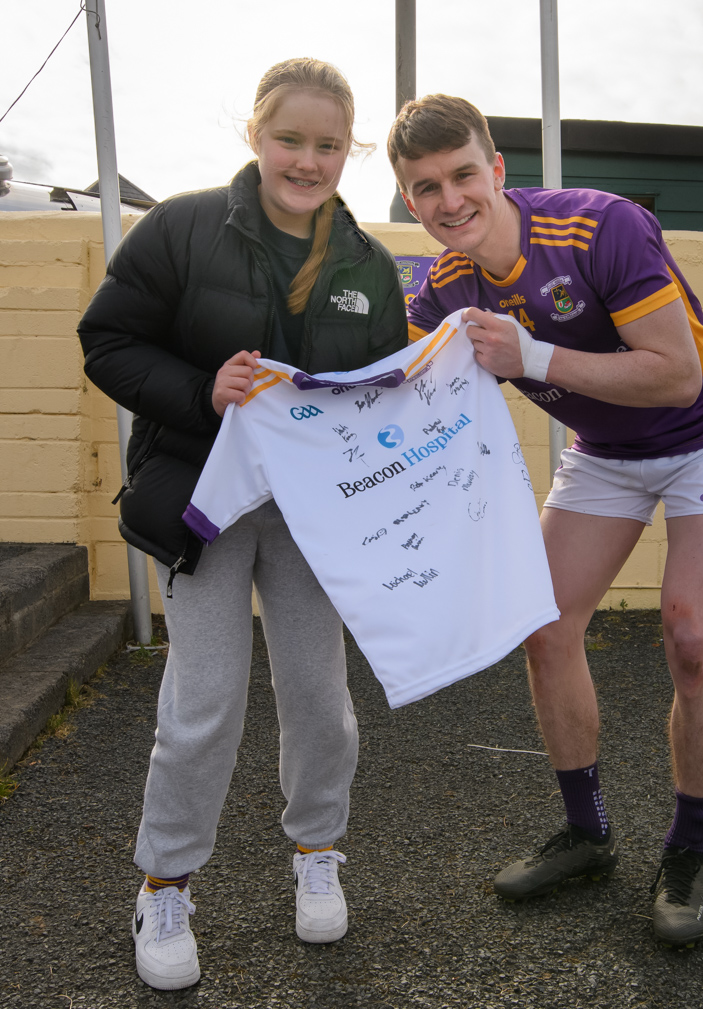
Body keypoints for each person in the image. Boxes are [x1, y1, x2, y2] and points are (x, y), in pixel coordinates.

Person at [387, 94, 703, 947]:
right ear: (409, 202)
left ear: (498, 171)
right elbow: (399, 393)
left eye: (461, 175)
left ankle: (688, 851)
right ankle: (587, 833)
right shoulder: (438, 282)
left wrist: (531, 358)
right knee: (545, 627)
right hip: (604, 450)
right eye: (425, 188)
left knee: (692, 635)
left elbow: (672, 376)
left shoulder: (602, 228)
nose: (449, 201)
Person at [78, 58, 407, 990]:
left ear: (350, 149)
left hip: (310, 521)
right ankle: (164, 881)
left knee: (320, 701)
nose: (307, 161)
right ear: (256, 136)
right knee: (205, 702)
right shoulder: (183, 226)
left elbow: (382, 396)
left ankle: (316, 851)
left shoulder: (369, 265)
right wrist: (199, 391)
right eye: (289, 140)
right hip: (205, 505)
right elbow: (107, 340)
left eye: (328, 145)